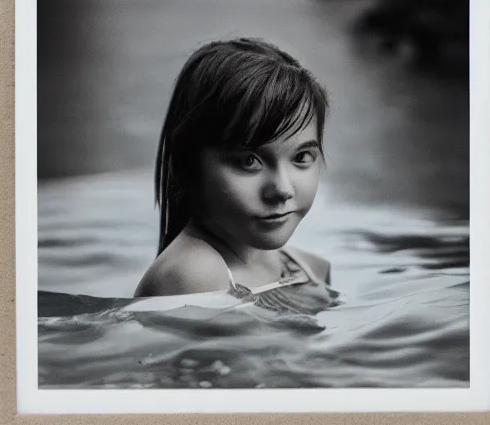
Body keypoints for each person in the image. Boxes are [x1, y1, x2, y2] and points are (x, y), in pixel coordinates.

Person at [134, 37, 342, 314]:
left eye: (301, 157)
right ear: (188, 164)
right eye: (249, 161)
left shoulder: (310, 269)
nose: (282, 189)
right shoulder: (192, 275)